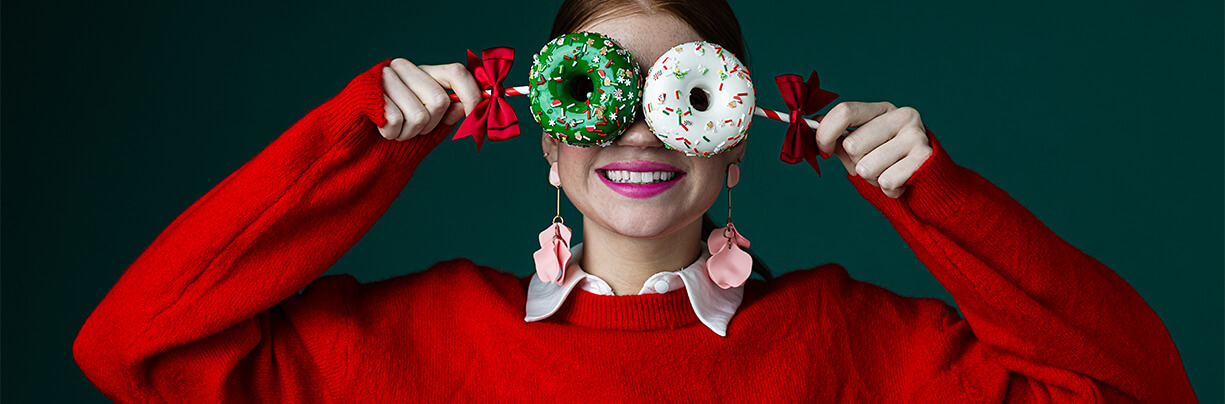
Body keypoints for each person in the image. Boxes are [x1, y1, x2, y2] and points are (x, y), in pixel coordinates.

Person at [73, 0, 1197, 402]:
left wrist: (933, 195)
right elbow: (130, 348)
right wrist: (354, 142)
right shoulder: (409, 345)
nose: (637, 129)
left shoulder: (858, 346)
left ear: (742, 144)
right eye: (593, 94)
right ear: (542, 143)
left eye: (686, 97)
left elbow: (1136, 389)